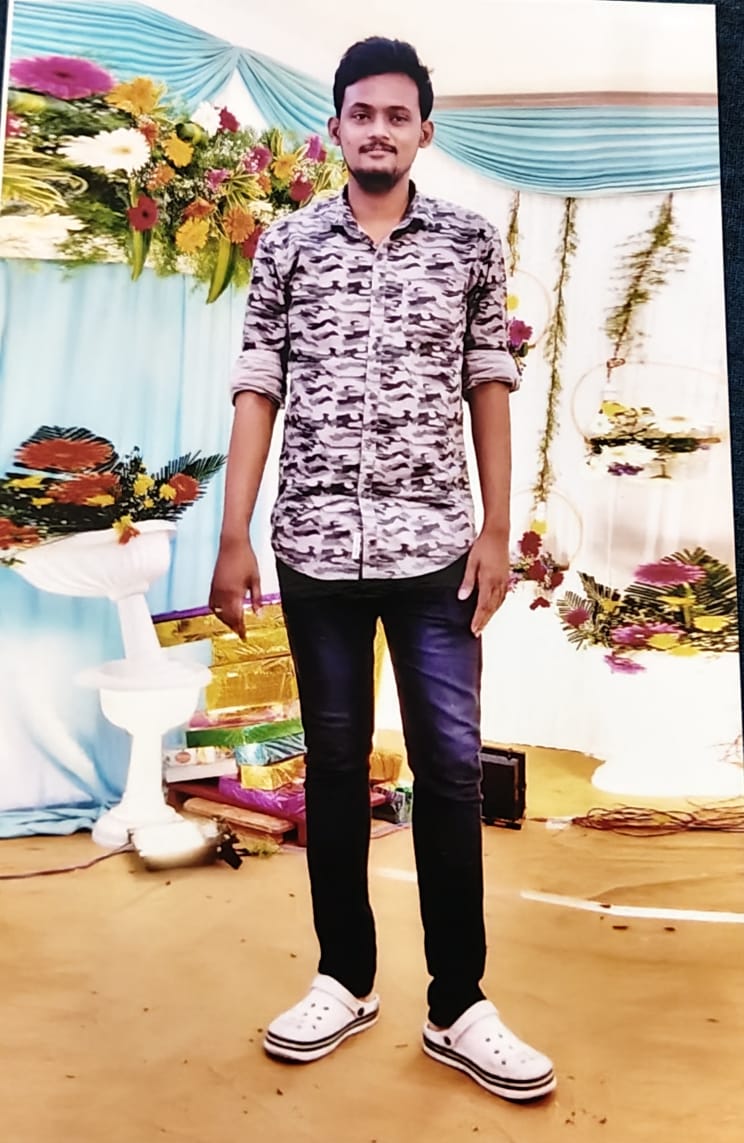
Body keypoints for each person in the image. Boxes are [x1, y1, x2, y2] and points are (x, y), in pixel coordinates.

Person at [209, 36, 556, 1103]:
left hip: (436, 551)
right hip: (314, 546)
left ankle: (459, 1003)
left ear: (423, 133)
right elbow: (258, 384)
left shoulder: (468, 242)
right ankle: (344, 977)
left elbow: (488, 380)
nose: (377, 130)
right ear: (335, 128)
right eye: (360, 113)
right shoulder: (287, 243)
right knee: (332, 765)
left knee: (450, 771)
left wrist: (497, 529)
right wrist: (232, 533)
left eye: (396, 115)